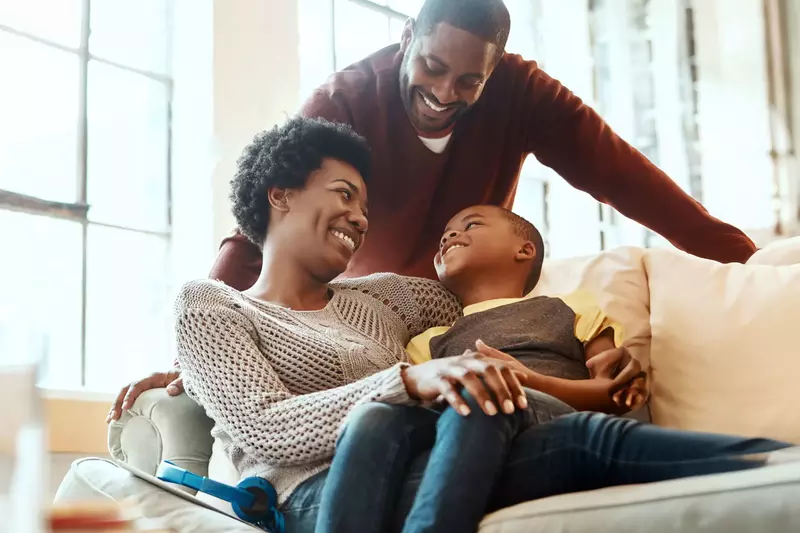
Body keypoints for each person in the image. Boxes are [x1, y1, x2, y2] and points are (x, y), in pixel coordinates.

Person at [107, 0, 758, 412]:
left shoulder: (524, 95)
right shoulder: (346, 101)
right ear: (408, 34)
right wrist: (197, 355)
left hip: (462, 311)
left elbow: (630, 181)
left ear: (496, 69)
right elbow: (260, 232)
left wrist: (750, 259)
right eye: (433, 66)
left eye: (469, 80)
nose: (445, 93)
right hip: (375, 322)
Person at [170, 117, 793, 533]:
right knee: (497, 416)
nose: (361, 218)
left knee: (587, 440)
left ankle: (781, 464)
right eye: (343, 194)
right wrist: (410, 382)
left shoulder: (389, 298)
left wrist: (600, 344)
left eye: (365, 204)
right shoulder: (212, 305)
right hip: (310, 494)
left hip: (436, 452)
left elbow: (497, 307)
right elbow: (263, 427)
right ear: (281, 195)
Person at [404, 204, 648, 413]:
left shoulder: (572, 306)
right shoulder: (427, 341)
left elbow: (613, 395)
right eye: (443, 237)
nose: (448, 237)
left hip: (566, 427)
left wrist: (531, 382)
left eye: (471, 226)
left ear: (524, 250)